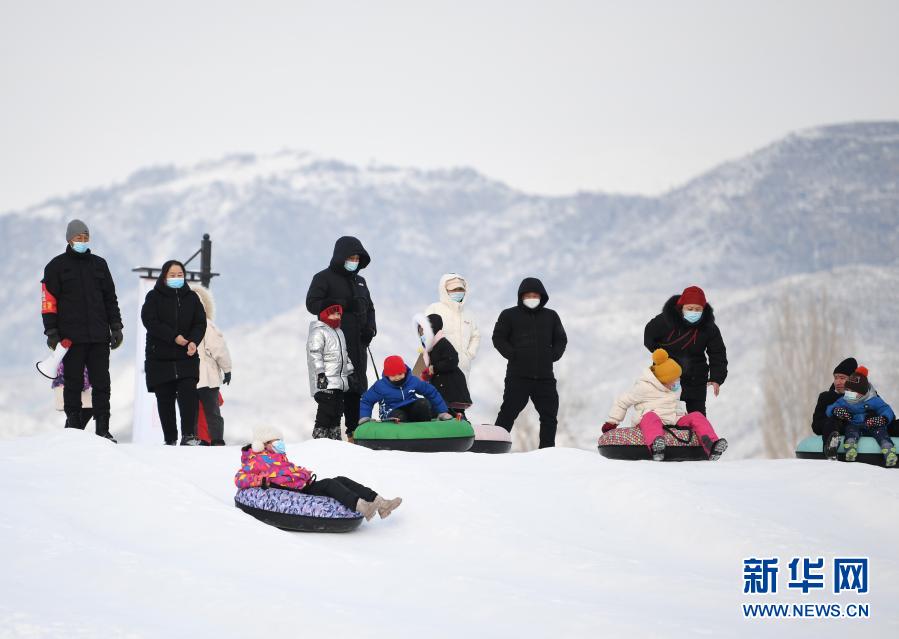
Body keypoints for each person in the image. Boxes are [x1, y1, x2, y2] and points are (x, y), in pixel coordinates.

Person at [41, 219, 123, 441]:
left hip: (98, 336)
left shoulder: (99, 265)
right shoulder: (56, 267)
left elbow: (110, 299)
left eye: (86, 238)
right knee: (73, 384)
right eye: (79, 238)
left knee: (102, 383)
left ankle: (103, 429)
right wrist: (52, 333)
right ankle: (75, 430)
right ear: (69, 239)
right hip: (70, 339)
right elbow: (48, 302)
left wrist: (116, 326)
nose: (83, 242)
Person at [235, 425, 402, 520]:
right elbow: (240, 478)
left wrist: (302, 473)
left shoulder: (279, 456)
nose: (280, 444)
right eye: (276, 441)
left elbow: (289, 472)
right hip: (297, 491)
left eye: (281, 441)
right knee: (330, 484)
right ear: (264, 444)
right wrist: (259, 480)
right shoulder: (256, 460)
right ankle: (363, 507)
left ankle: (381, 503)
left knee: (340, 479)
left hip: (305, 484)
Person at [306, 237, 376, 440]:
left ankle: (355, 434)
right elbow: (312, 304)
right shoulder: (323, 278)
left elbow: (370, 308)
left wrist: (370, 329)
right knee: (334, 390)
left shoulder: (360, 281)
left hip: (358, 345)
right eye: (350, 257)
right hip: (333, 345)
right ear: (340, 257)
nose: (354, 261)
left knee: (356, 388)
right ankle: (328, 435)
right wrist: (341, 303)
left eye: (357, 258)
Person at [602, 349, 728, 461]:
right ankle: (657, 446)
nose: (678, 382)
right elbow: (622, 401)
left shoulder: (673, 388)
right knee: (651, 417)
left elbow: (675, 405)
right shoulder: (643, 387)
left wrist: (682, 415)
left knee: (696, 416)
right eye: (675, 380)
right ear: (663, 381)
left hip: (673, 419)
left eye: (678, 379)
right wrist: (612, 422)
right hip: (649, 419)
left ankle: (712, 445)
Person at [492, 277, 567, 448]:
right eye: (528, 295)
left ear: (542, 296)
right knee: (508, 412)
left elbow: (561, 339)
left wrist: (552, 355)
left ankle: (547, 452)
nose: (531, 298)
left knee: (549, 417)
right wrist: (512, 354)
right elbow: (498, 338)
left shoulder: (551, 316)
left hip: (545, 378)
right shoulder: (508, 315)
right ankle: (494, 446)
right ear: (521, 296)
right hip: (517, 376)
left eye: (535, 295)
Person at [141, 261, 206, 445]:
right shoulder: (153, 297)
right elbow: (150, 321)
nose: (177, 278)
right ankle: (169, 439)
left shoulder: (192, 298)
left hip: (187, 356)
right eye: (172, 275)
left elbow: (200, 323)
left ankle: (188, 436)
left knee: (189, 396)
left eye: (180, 275)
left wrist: (193, 341)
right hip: (160, 358)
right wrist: (173, 337)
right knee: (165, 399)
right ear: (164, 276)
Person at [644, 285, 727, 415]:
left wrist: (717, 378)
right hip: (668, 377)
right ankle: (660, 436)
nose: (694, 312)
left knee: (698, 416)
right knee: (664, 415)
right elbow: (648, 336)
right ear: (681, 307)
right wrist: (661, 357)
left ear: (703, 309)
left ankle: (703, 436)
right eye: (690, 308)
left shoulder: (709, 328)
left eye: (697, 309)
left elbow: (718, 353)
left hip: (696, 378)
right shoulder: (665, 320)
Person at [826, 366, 897, 466]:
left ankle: (889, 451)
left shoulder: (873, 400)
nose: (848, 393)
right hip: (854, 424)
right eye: (847, 390)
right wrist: (836, 410)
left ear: (862, 392)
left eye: (852, 391)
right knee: (850, 432)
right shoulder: (845, 400)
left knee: (881, 432)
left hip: (872, 423)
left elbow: (886, 409)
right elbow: (830, 408)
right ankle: (850, 449)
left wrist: (883, 419)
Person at [307, 301, 354, 440]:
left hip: (339, 381)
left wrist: (350, 372)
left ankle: (334, 436)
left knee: (338, 410)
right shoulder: (318, 331)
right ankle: (320, 436)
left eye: (339, 313)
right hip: (325, 381)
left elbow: (344, 354)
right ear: (324, 314)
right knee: (326, 409)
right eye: (333, 313)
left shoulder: (339, 332)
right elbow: (314, 354)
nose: (337, 316)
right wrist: (320, 373)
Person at [359, 355, 453, 424]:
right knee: (400, 416)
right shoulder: (381, 386)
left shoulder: (412, 381)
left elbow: (431, 392)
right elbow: (367, 400)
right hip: (392, 410)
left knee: (423, 404)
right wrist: (364, 416)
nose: (397, 377)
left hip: (411, 407)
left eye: (400, 374)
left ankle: (425, 429)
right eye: (393, 375)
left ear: (404, 371)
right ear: (387, 375)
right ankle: (401, 436)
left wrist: (442, 412)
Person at [192, 285, 232, 446]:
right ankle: (216, 440)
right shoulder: (207, 325)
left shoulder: (181, 328)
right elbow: (219, 349)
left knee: (193, 413)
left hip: (188, 379)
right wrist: (227, 369)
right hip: (207, 379)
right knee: (212, 412)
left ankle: (195, 439)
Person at [424, 273, 481, 379]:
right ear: (444, 290)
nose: (458, 292)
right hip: (439, 366)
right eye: (453, 289)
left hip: (462, 366)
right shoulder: (435, 308)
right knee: (439, 394)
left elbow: (475, 336)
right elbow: (424, 332)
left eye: (460, 289)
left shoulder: (469, 314)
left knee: (462, 394)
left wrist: (469, 355)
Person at [414, 313, 472, 415]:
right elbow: (418, 373)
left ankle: (463, 426)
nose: (421, 335)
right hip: (440, 388)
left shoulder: (442, 343)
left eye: (423, 331)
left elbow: (452, 359)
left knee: (453, 412)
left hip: (451, 386)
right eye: (420, 332)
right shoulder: (427, 351)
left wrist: (434, 368)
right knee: (438, 410)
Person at [811, 357, 857, 458]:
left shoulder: (866, 397)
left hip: (858, 432)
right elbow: (816, 426)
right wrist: (836, 416)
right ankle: (831, 449)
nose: (837, 382)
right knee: (832, 421)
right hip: (833, 429)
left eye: (842, 378)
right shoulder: (826, 397)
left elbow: (883, 413)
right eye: (836, 378)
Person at [52, 362, 93, 429]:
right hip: (66, 379)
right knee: (75, 412)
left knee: (89, 407)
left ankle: (71, 433)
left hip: (86, 379)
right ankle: (72, 434)